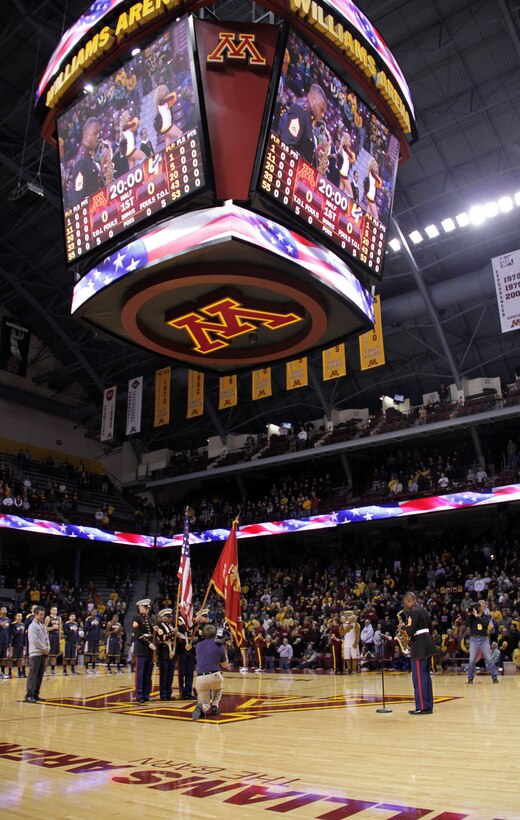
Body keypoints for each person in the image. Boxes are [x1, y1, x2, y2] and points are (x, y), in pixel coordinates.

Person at [402, 591, 436, 714]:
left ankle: (421, 707)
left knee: (419, 678)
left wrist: (403, 628)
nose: (405, 605)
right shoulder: (424, 610)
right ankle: (428, 705)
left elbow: (410, 632)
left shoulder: (413, 612)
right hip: (428, 644)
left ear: (408, 601)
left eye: (405, 603)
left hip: (419, 647)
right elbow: (431, 629)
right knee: (426, 677)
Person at [280, 83, 327, 165]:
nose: (323, 115)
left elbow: (303, 147)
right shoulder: (300, 110)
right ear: (312, 99)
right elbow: (287, 146)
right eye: (321, 110)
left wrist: (316, 157)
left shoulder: (309, 115)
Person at [192, 624, 230, 721]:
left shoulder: (198, 646)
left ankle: (200, 708)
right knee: (219, 687)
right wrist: (224, 649)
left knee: (204, 702)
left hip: (200, 678)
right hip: (214, 676)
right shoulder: (220, 646)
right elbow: (225, 665)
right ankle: (215, 706)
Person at [68, 117, 103, 206]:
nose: (98, 136)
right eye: (95, 133)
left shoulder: (88, 155)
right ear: (86, 137)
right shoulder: (82, 160)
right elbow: (77, 200)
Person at [466, 600, 499, 684]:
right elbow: (468, 624)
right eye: (479, 604)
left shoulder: (487, 616)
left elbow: (484, 625)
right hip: (474, 639)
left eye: (482, 604)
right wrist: (469, 615)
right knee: (472, 659)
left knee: (489, 659)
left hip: (484, 639)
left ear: (484, 607)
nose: (480, 605)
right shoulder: (472, 616)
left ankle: (494, 677)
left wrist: (477, 616)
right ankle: (470, 678)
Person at [133, 598, 156, 704]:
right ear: (140, 607)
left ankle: (147, 694)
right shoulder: (136, 619)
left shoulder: (151, 619)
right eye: (145, 607)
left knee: (148, 674)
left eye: (147, 608)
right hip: (141, 649)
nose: (147, 609)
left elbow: (152, 633)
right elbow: (138, 634)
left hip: (149, 651)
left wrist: (155, 630)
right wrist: (149, 643)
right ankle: (139, 695)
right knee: (140, 674)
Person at [25, 606, 49, 703]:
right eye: (40, 614)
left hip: (43, 653)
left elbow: (46, 638)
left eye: (43, 614)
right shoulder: (32, 626)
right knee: (33, 675)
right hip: (35, 653)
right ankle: (29, 695)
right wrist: (44, 648)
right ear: (35, 614)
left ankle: (35, 694)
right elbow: (35, 640)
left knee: (39, 675)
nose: (42, 616)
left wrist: (48, 647)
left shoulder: (42, 626)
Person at [155, 608, 176, 700]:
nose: (170, 618)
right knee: (164, 675)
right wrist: (172, 633)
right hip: (164, 652)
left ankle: (168, 693)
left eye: (170, 616)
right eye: (167, 617)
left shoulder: (170, 626)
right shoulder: (160, 626)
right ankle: (163, 694)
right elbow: (162, 637)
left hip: (171, 652)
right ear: (162, 617)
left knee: (170, 674)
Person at [44, 605, 62, 676]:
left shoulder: (59, 618)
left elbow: (60, 629)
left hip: (56, 636)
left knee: (54, 655)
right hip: (50, 636)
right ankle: (44, 671)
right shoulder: (48, 618)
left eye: (56, 610)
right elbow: (44, 628)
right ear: (51, 611)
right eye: (54, 610)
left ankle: (53, 670)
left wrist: (60, 639)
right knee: (47, 655)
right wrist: (53, 627)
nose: (55, 611)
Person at [84, 608, 101, 674]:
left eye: (96, 612)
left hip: (96, 638)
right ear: (91, 612)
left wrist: (99, 639)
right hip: (90, 638)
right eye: (94, 612)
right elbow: (86, 628)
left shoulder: (98, 619)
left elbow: (99, 629)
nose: (95, 613)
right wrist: (93, 625)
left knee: (94, 654)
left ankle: (93, 668)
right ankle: (86, 668)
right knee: (88, 654)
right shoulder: (88, 619)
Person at [10, 613, 26, 678]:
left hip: (21, 643)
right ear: (15, 617)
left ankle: (20, 672)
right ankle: (9, 672)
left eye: (21, 616)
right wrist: (20, 629)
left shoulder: (23, 624)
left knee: (20, 659)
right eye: (19, 616)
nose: (20, 617)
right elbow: (14, 633)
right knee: (12, 658)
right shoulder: (13, 624)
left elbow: (24, 635)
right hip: (14, 643)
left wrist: (24, 644)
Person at [0, 606, 11, 679]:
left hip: (5, 641)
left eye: (6, 609)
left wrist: (10, 641)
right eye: (3, 609)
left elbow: (10, 632)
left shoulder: (9, 620)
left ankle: (2, 673)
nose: (5, 610)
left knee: (3, 658)